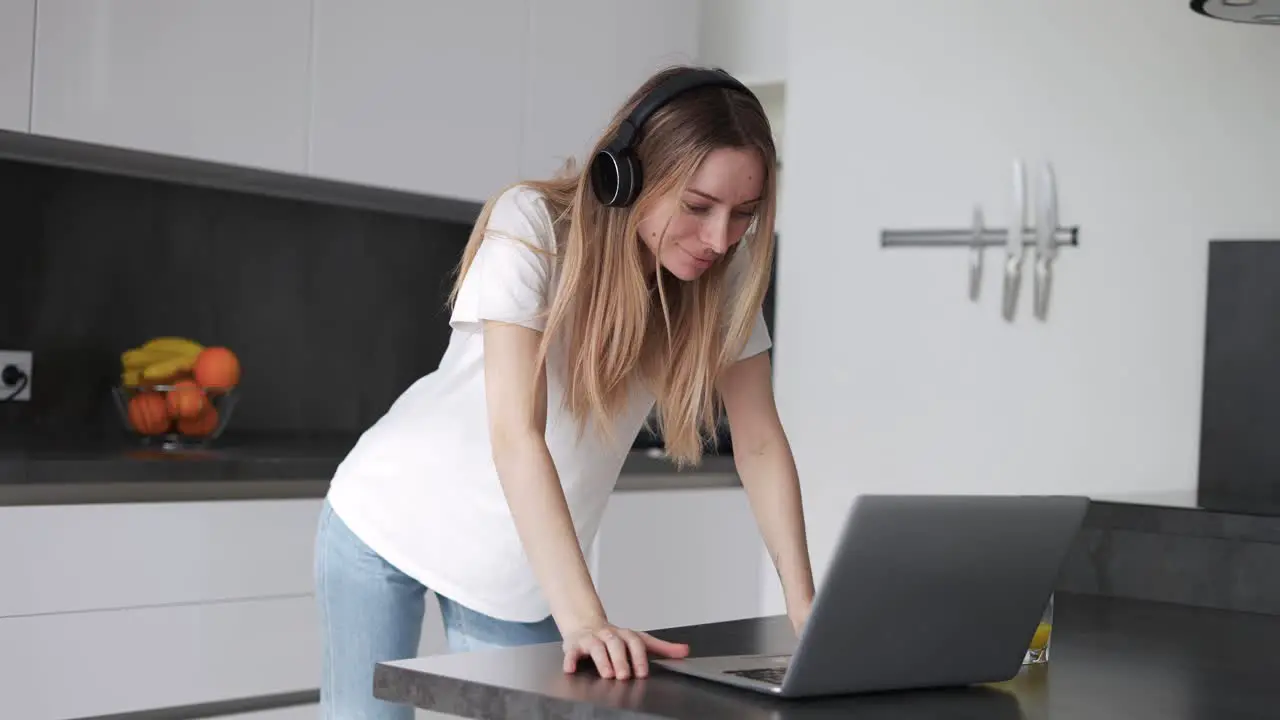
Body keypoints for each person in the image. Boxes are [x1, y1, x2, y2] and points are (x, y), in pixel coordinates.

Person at [314, 64, 815, 719]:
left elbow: (758, 440)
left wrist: (807, 612)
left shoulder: (723, 276)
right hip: (387, 519)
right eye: (697, 207)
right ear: (628, 175)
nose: (720, 239)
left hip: (517, 571)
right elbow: (516, 434)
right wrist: (585, 619)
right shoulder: (533, 227)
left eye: (744, 215)